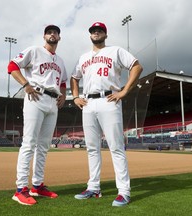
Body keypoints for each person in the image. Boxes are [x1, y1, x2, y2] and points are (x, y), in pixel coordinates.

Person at [70, 22, 143, 207]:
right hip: (88, 102)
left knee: (116, 147)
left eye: (99, 30)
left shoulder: (115, 51)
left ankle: (124, 191)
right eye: (93, 31)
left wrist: (125, 90)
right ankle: (93, 187)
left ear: (105, 34)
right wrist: (75, 96)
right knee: (92, 148)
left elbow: (136, 66)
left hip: (109, 100)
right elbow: (74, 77)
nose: (96, 32)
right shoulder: (84, 57)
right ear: (90, 35)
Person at [7, 25, 68, 205]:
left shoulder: (61, 61)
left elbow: (63, 81)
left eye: (55, 32)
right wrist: (25, 84)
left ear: (59, 38)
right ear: (44, 36)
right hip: (36, 96)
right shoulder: (34, 51)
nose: (52, 34)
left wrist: (63, 96)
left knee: (43, 146)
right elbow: (12, 66)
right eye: (49, 32)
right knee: (29, 143)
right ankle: (20, 189)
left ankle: (37, 186)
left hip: (53, 102)